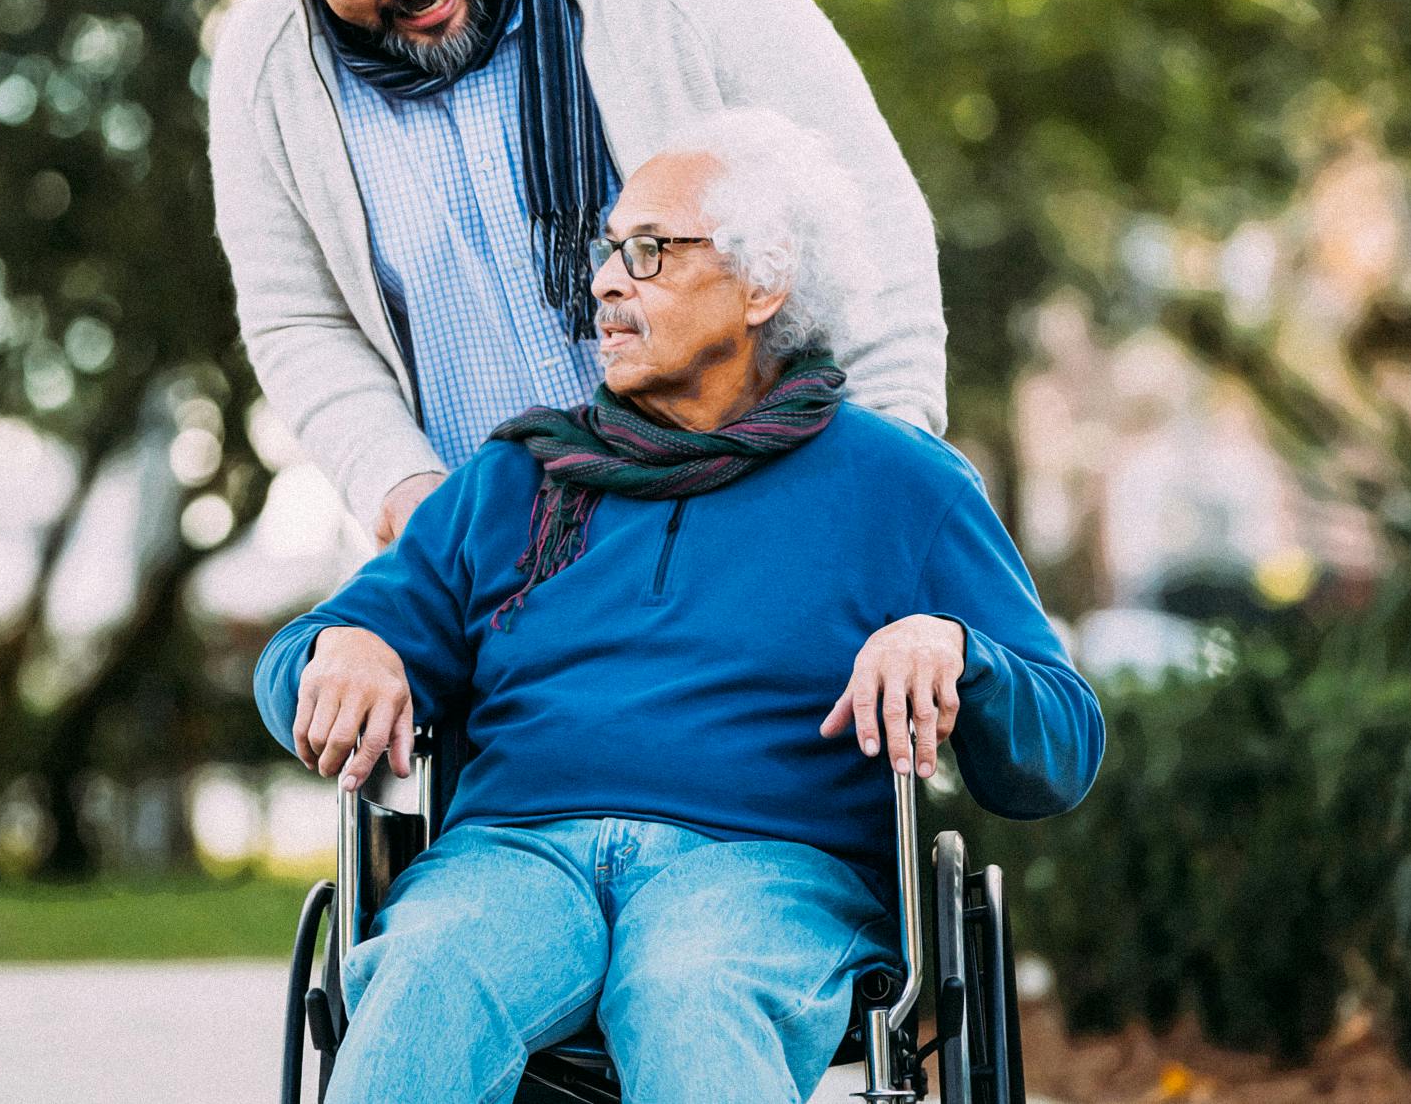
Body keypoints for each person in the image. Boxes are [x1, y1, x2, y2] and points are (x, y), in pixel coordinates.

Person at [253, 110, 1104, 1104]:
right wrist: (341, 647)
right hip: (515, 857)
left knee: (691, 992)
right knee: (428, 976)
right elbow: (300, 659)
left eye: (649, 251)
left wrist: (955, 647)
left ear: (763, 280)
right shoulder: (517, 476)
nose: (606, 280)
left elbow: (1061, 744)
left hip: (765, 870)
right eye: (607, 251)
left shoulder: (902, 485)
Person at [210, 0, 947, 546]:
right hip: (500, 588)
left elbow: (867, 228)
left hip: (756, 540)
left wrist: (883, 491)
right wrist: (405, 492)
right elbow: (299, 321)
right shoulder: (266, 70)